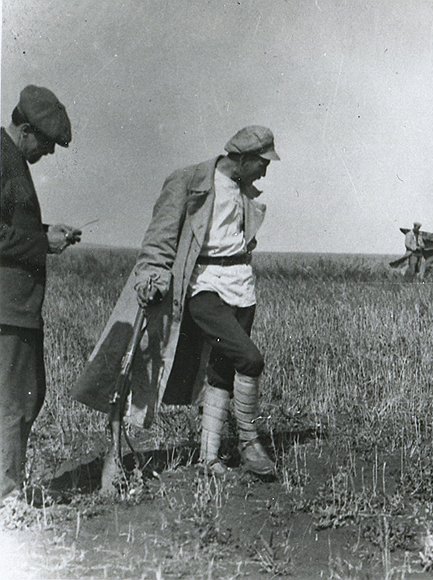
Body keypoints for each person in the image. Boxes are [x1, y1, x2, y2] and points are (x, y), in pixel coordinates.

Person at [76, 126, 280, 477]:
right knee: (250, 359)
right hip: (202, 285)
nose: (265, 171)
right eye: (262, 163)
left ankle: (209, 458)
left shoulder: (245, 190)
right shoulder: (188, 181)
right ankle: (249, 444)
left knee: (222, 367)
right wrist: (151, 275)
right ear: (243, 159)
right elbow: (160, 236)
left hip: (242, 286)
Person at [0, 85, 81, 502]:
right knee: (13, 404)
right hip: (6, 307)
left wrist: (48, 233)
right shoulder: (0, 157)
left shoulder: (13, 159)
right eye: (47, 145)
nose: (48, 154)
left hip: (22, 307)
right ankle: (7, 499)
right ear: (27, 130)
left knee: (30, 397)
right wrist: (41, 243)